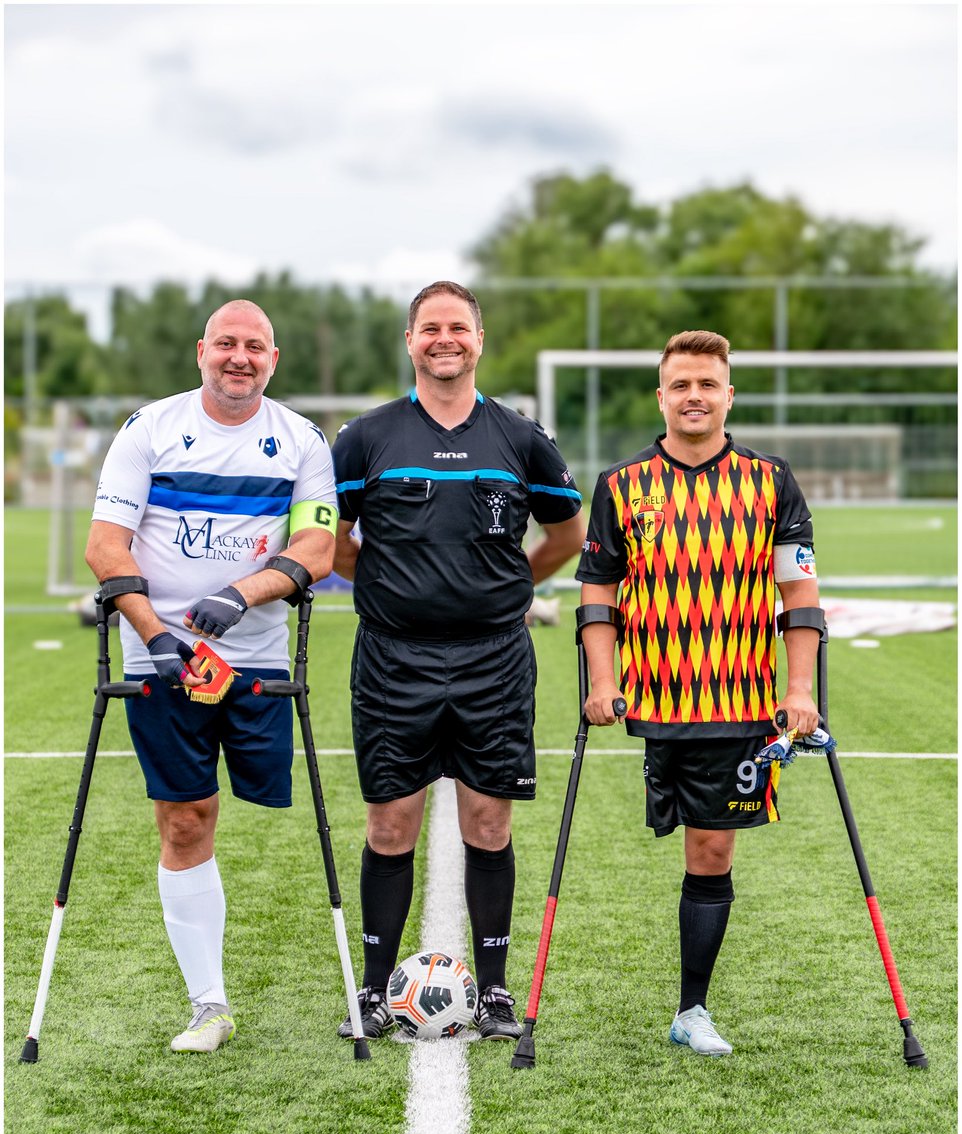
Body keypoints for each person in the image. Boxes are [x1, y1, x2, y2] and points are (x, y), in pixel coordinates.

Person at [331, 281, 586, 1040]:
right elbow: (332, 539)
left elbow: (568, 537)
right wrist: (373, 582)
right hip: (392, 660)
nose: (446, 339)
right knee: (390, 826)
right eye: (430, 328)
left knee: (489, 822)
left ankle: (496, 989)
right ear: (410, 342)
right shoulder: (365, 438)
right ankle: (376, 992)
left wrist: (508, 588)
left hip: (493, 660)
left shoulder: (521, 438)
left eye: (459, 328)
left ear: (480, 339)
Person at [85, 300, 338, 1053]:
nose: (239, 357)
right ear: (202, 351)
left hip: (255, 657)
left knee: (268, 807)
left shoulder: (301, 440)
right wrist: (158, 636)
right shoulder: (149, 429)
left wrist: (240, 594)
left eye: (253, 346)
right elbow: (106, 546)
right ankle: (210, 1005)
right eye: (226, 343)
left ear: (274, 358)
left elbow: (317, 550)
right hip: (160, 653)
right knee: (185, 817)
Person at [576, 329, 821, 1056]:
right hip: (653, 699)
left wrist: (799, 689)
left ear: (728, 395)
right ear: (661, 395)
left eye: (707, 384)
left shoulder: (770, 480)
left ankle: (692, 1010)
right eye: (681, 384)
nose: (694, 396)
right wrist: (602, 679)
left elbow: (799, 595)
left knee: (712, 850)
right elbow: (597, 590)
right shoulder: (622, 486)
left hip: (741, 703)